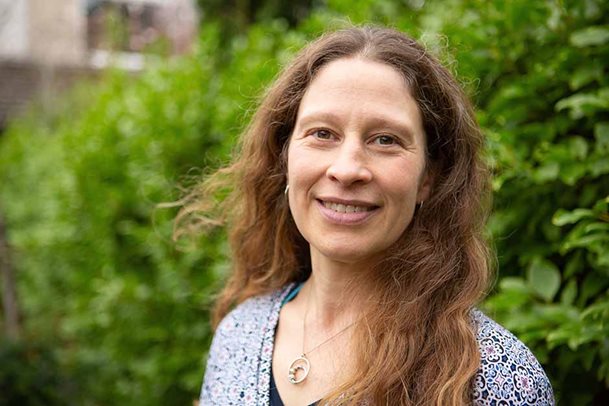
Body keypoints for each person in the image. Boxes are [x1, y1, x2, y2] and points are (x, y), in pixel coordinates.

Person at [179, 26, 554, 405]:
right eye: (322, 133)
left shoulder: (494, 376)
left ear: (428, 177)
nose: (347, 170)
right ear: (285, 157)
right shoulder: (239, 337)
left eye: (385, 140)